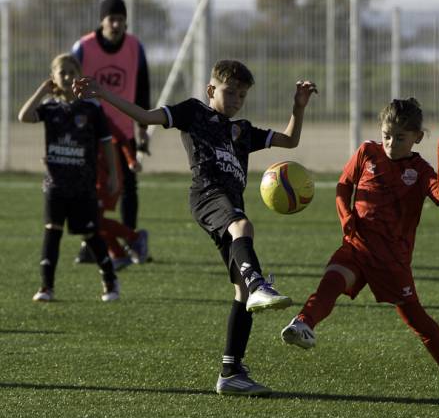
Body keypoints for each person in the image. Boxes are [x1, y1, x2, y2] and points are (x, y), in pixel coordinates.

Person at [74, 59, 317, 396]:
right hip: (207, 194)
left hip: (228, 202)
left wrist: (297, 107)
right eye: (230, 92)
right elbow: (146, 117)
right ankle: (259, 282)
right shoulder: (193, 113)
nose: (235, 100)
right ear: (211, 90)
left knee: (241, 291)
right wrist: (102, 93)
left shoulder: (243, 131)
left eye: (241, 95)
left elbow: (290, 140)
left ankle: (231, 373)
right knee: (243, 226)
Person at [280, 98, 439, 406]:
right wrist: (346, 218)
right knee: (331, 281)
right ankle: (303, 323)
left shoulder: (419, 170)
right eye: (386, 134)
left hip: (392, 260)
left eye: (399, 137)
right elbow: (344, 186)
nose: (390, 143)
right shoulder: (367, 152)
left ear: (417, 138)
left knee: (418, 322)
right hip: (357, 244)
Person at [19, 53, 120, 302]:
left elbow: (107, 143)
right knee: (52, 232)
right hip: (55, 185)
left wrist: (114, 175)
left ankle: (110, 281)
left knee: (90, 234)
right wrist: (42, 91)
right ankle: (46, 287)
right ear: (53, 77)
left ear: (79, 77)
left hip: (83, 186)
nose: (66, 77)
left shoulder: (91, 108)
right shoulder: (50, 107)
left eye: (71, 72)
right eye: (61, 72)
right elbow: (24, 116)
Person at [72, 0, 150, 238]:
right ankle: (90, 242)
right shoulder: (84, 47)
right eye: (111, 19)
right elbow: (70, 86)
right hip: (90, 132)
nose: (116, 25)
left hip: (124, 131)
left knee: (129, 186)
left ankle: (131, 238)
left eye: (121, 20)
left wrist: (142, 128)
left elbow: (142, 89)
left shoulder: (135, 47)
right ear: (102, 21)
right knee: (89, 187)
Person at [95, 140, 149, 270]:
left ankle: (134, 239)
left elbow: (121, 137)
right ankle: (119, 253)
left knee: (93, 220)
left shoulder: (99, 120)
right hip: (89, 178)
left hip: (104, 180)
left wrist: (131, 159)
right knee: (92, 222)